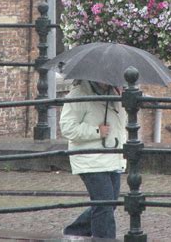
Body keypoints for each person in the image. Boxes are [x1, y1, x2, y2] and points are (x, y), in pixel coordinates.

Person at [60, 80, 127, 239]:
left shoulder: (114, 92)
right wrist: (97, 131)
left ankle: (75, 231)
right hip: (90, 158)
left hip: (112, 155)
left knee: (109, 204)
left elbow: (120, 125)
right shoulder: (79, 94)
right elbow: (67, 127)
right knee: (104, 205)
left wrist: (126, 100)